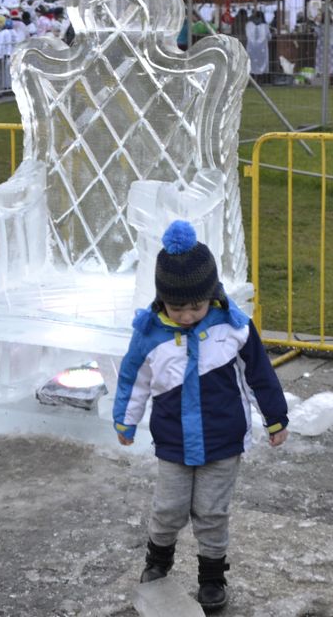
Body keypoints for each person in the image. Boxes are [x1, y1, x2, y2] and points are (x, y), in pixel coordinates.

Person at [113, 221, 289, 612]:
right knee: (168, 508)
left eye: (197, 305)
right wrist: (126, 419)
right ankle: (157, 561)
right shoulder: (150, 334)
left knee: (211, 512)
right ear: (162, 300)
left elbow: (259, 373)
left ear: (211, 295)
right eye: (178, 308)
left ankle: (212, 576)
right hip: (174, 441)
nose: (189, 315)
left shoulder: (232, 328)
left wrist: (275, 417)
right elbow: (133, 378)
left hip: (223, 439)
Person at [244, 9, 270, 83]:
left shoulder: (248, 25)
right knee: (262, 64)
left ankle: (252, 80)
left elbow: (247, 35)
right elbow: (269, 36)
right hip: (262, 49)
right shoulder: (265, 26)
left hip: (251, 48)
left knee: (251, 64)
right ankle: (260, 80)